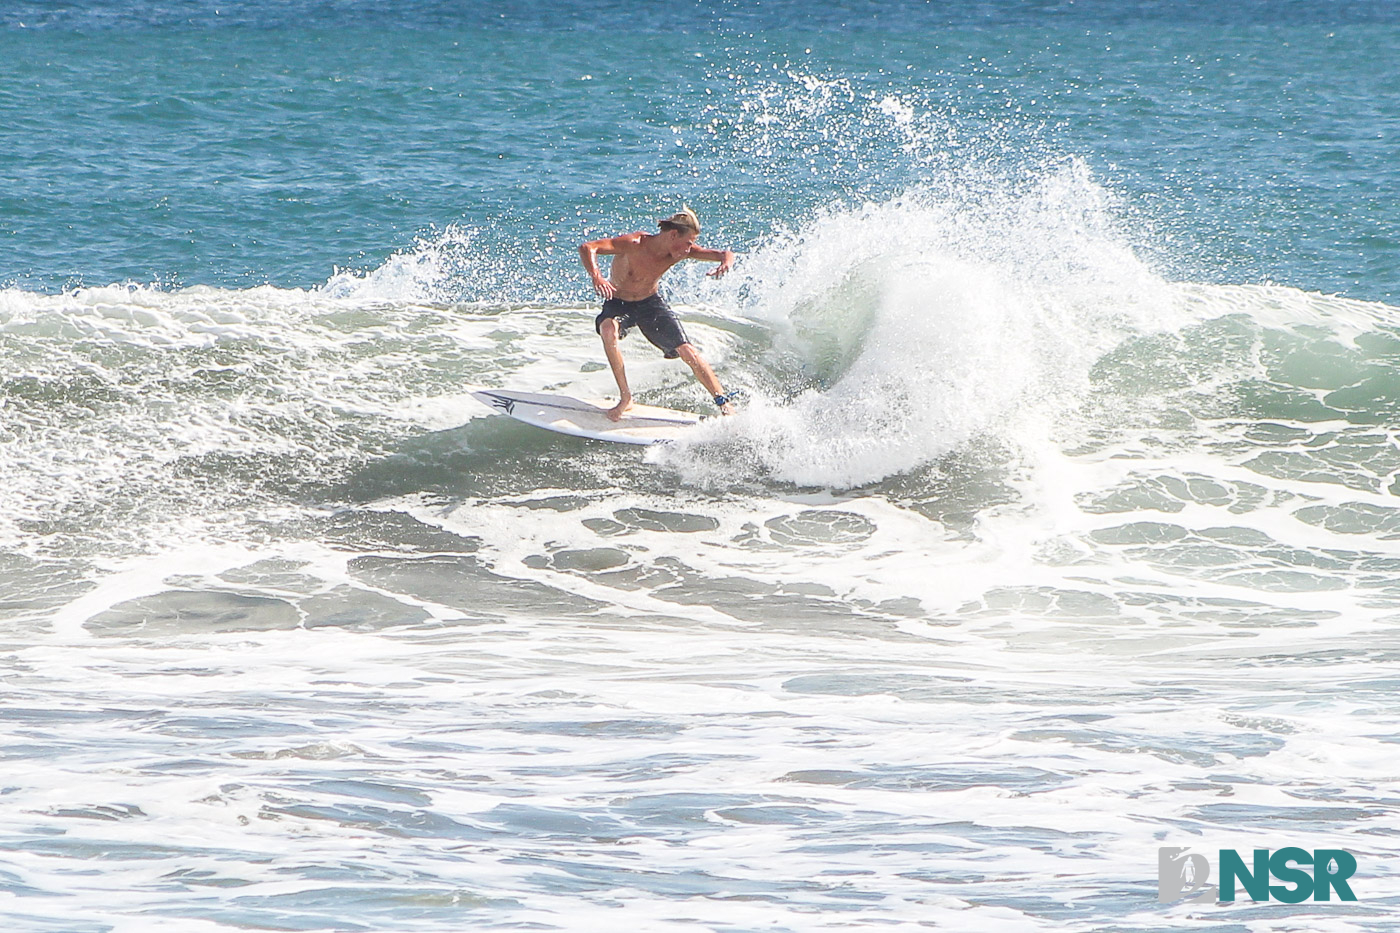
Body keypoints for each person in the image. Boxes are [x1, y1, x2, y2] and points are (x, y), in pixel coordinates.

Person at [579, 206, 737, 421]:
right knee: (608, 329)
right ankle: (626, 398)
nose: (689, 248)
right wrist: (596, 277)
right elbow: (588, 247)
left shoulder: (680, 251)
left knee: (687, 350)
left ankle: (724, 403)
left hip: (650, 304)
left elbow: (724, 254)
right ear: (673, 235)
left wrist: (726, 262)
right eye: (688, 242)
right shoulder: (633, 244)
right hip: (619, 302)